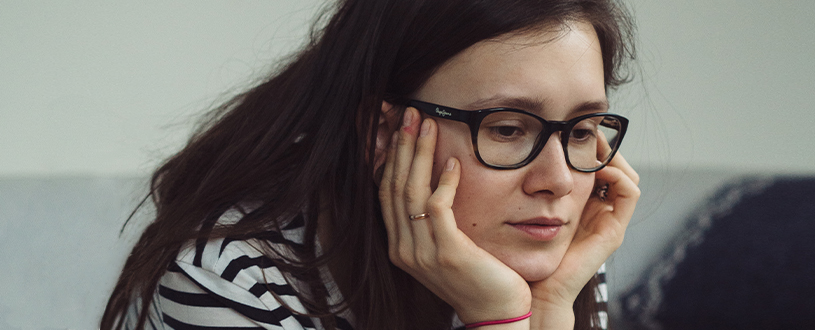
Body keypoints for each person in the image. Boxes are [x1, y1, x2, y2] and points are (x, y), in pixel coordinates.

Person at [101, 0, 639, 329]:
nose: (559, 181)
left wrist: (543, 316)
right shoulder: (231, 276)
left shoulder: (553, 256)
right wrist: (500, 322)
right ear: (384, 133)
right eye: (506, 129)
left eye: (581, 131)